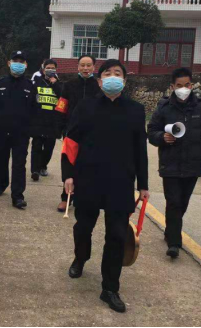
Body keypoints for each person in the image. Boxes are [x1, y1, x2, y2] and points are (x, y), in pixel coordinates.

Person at [61, 59, 149, 313]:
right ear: (100, 81)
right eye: (107, 73)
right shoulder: (85, 106)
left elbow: (140, 150)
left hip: (120, 183)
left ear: (124, 80)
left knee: (117, 236)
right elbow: (71, 142)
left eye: (117, 73)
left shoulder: (135, 110)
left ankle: (110, 288)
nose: (112, 77)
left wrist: (143, 184)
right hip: (88, 179)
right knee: (83, 227)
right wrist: (68, 175)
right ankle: (81, 258)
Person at [147, 67, 201, 259]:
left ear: (192, 85)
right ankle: (174, 243)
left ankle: (171, 230)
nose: (183, 89)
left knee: (182, 202)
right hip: (170, 164)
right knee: (174, 202)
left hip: (193, 164)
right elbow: (151, 132)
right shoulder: (164, 107)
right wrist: (162, 137)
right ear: (172, 87)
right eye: (179, 85)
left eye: (187, 85)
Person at [0, 51, 36, 209]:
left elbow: (34, 108)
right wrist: (3, 118)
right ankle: (1, 184)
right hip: (1, 130)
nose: (18, 64)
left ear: (26, 65)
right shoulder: (0, 83)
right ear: (9, 63)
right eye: (15, 61)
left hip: (21, 132)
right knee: (1, 158)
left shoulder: (30, 86)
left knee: (19, 163)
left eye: (21, 62)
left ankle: (17, 196)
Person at [55, 54, 100, 212]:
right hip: (71, 131)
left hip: (92, 132)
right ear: (78, 67)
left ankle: (85, 197)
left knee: (89, 165)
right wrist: (61, 129)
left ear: (94, 67)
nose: (85, 68)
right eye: (82, 65)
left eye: (88, 65)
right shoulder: (69, 85)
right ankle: (66, 197)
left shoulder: (99, 86)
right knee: (69, 164)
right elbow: (61, 107)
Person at [29, 59, 63, 181]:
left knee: (49, 148)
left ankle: (43, 166)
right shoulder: (37, 82)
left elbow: (63, 97)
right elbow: (31, 99)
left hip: (52, 122)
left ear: (56, 70)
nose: (50, 70)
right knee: (36, 146)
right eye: (48, 68)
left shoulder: (59, 84)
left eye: (53, 68)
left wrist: (55, 83)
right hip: (38, 120)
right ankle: (35, 170)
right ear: (43, 69)